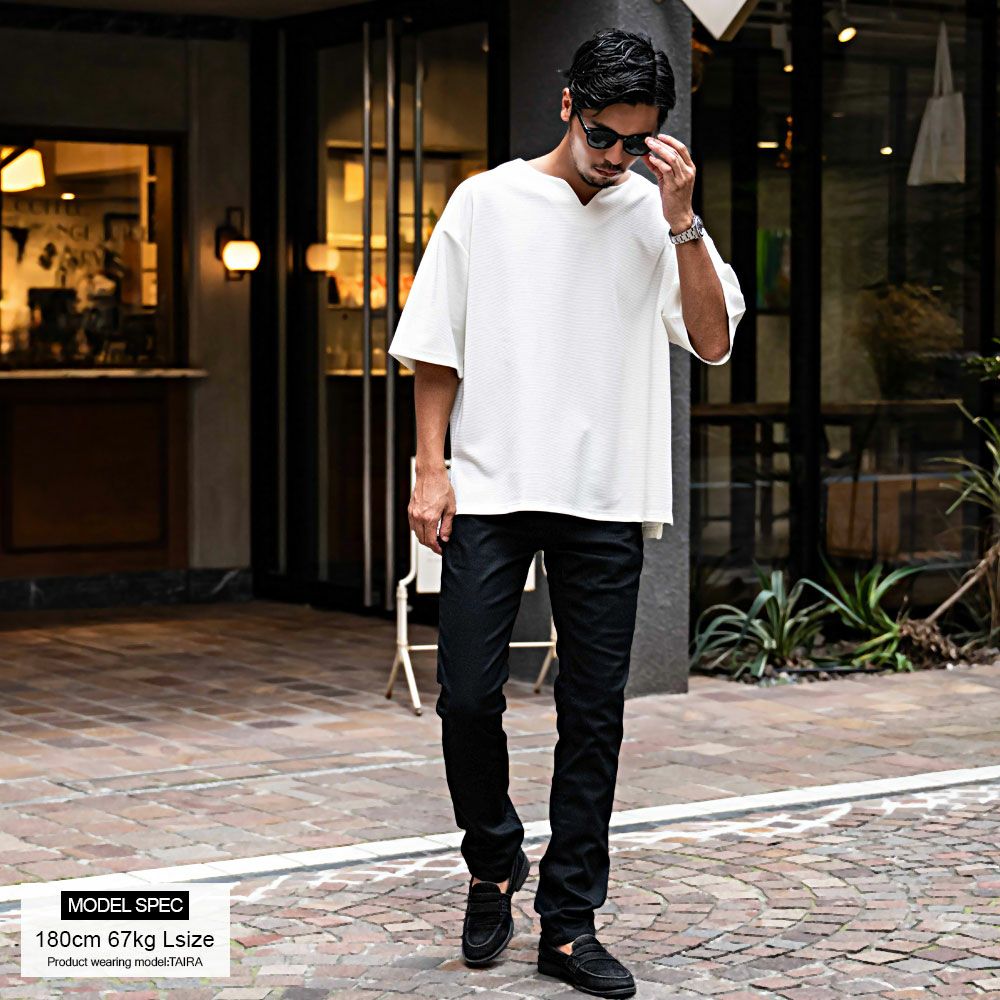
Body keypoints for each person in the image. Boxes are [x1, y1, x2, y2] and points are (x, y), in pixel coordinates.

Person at [387, 26, 746, 999]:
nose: (616, 157)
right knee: (468, 696)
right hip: (491, 489)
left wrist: (681, 220)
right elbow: (436, 346)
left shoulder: (657, 215)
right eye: (602, 135)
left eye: (636, 140)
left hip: (606, 497)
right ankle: (492, 860)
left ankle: (568, 923)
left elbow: (712, 341)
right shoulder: (486, 201)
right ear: (566, 108)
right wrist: (430, 470)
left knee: (592, 716)